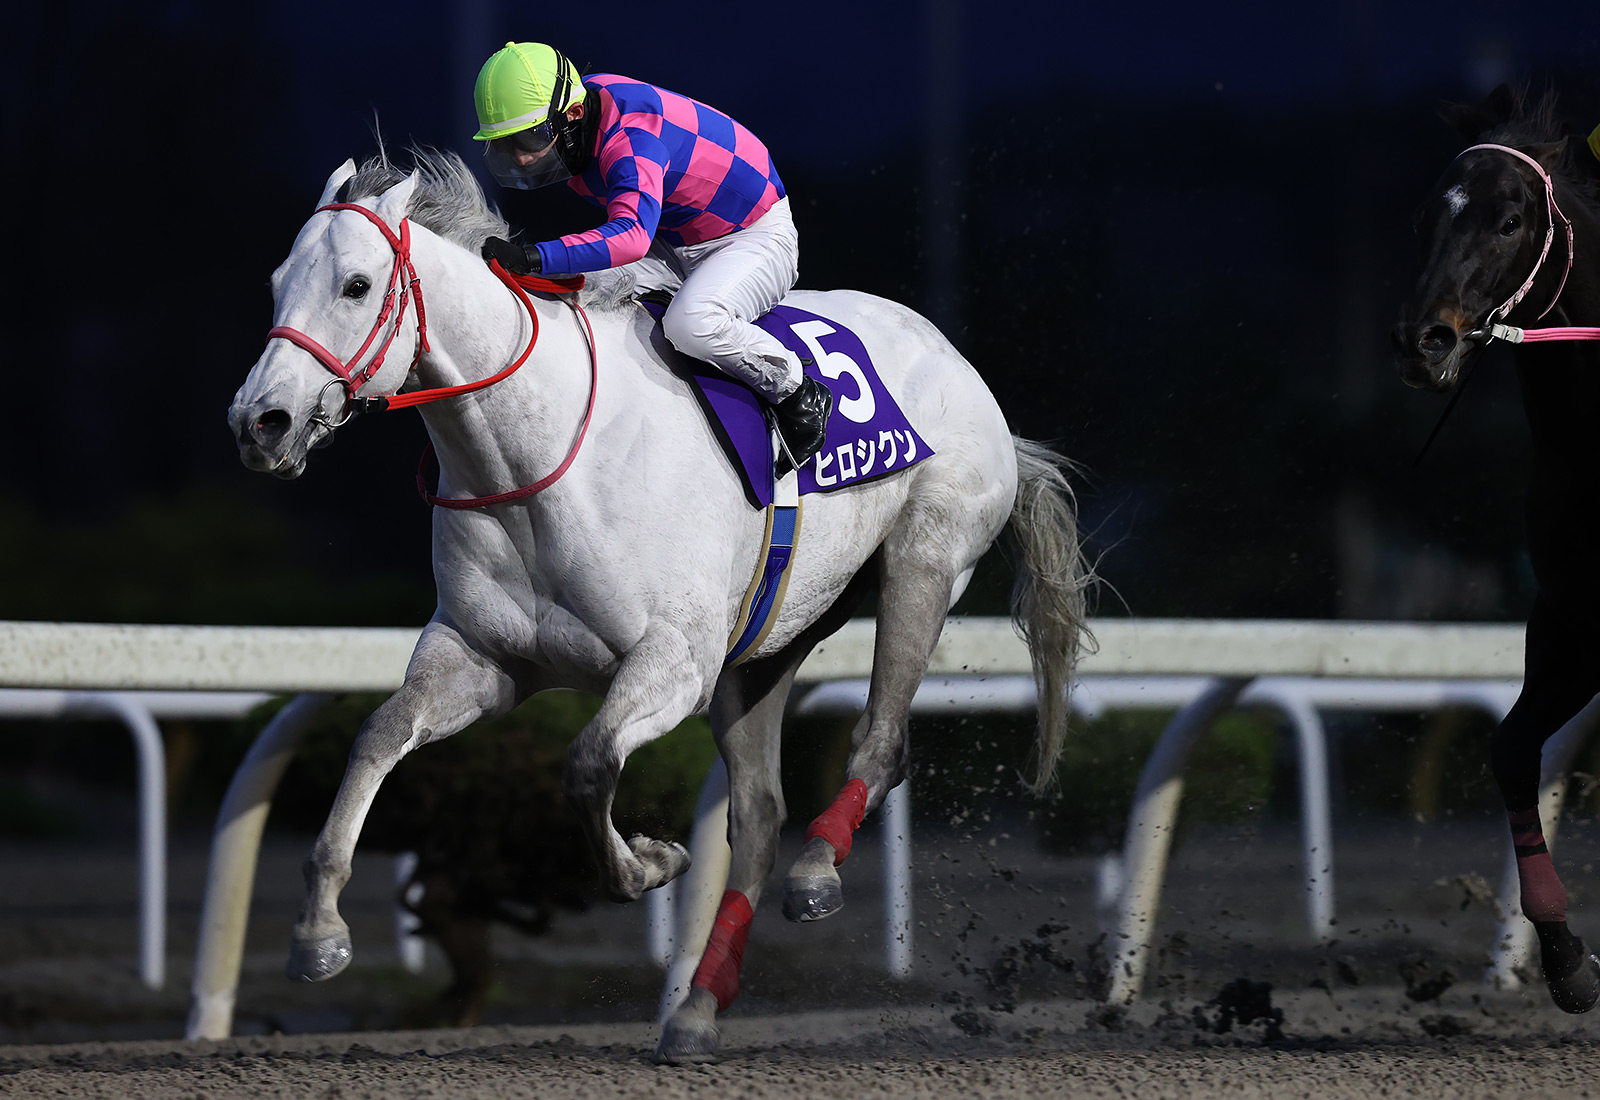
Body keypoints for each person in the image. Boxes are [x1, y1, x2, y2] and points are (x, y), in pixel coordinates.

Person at [471, 42, 831, 470]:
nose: (523, 156)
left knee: (689, 324)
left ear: (571, 115)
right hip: (676, 240)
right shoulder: (585, 113)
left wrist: (534, 256)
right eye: (507, 144)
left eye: (530, 138)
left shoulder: (629, 137)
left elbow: (633, 237)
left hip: (754, 237)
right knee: (579, 290)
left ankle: (797, 390)